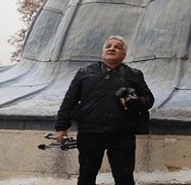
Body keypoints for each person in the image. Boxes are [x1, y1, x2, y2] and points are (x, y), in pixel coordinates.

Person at [54, 36, 154, 185]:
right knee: (86, 177)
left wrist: (133, 102)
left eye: (117, 47)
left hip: (122, 134)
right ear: (103, 52)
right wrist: (61, 127)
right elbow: (69, 100)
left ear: (124, 55)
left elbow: (149, 99)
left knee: (124, 178)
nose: (112, 48)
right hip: (90, 133)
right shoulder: (84, 72)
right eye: (108, 46)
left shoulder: (134, 74)